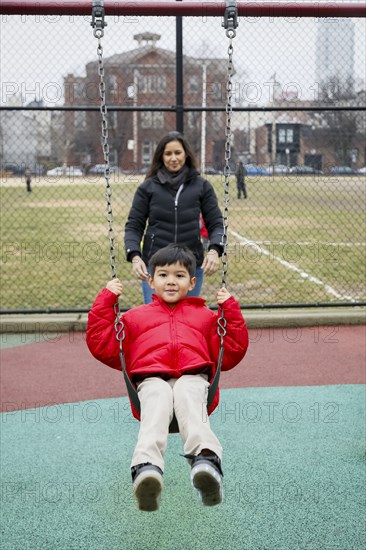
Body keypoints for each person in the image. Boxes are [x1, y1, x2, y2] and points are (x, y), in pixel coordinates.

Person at [86, 244, 249, 512]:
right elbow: (102, 344)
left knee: (187, 390)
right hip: (151, 378)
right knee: (157, 394)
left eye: (179, 275)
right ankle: (146, 469)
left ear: (192, 281)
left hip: (193, 376)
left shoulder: (206, 317)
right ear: (150, 280)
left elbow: (230, 352)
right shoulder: (135, 318)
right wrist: (106, 299)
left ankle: (205, 462)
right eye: (163, 275)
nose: (171, 281)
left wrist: (229, 309)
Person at [124, 131, 224, 303]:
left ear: (186, 154)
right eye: (168, 153)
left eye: (177, 153)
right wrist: (134, 256)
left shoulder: (202, 186)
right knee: (157, 319)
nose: (173, 158)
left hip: (190, 264)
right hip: (156, 265)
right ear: (161, 157)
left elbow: (216, 223)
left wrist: (215, 251)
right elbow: (134, 225)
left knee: (186, 319)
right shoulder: (148, 188)